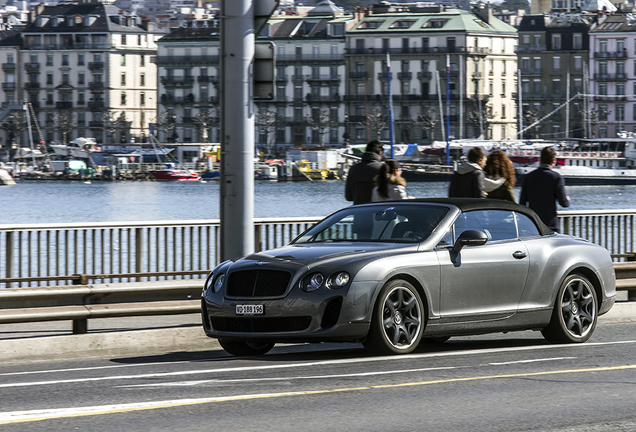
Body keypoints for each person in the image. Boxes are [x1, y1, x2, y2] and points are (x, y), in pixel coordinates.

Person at [520, 146, 570, 232]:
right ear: (553, 160)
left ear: (540, 160)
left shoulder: (529, 177)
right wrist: (567, 199)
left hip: (533, 224)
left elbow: (522, 203)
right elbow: (564, 203)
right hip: (550, 225)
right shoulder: (557, 178)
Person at [345, 140, 384, 205]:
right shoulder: (382, 169)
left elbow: (349, 197)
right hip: (378, 209)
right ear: (380, 153)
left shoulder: (353, 169)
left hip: (359, 210)